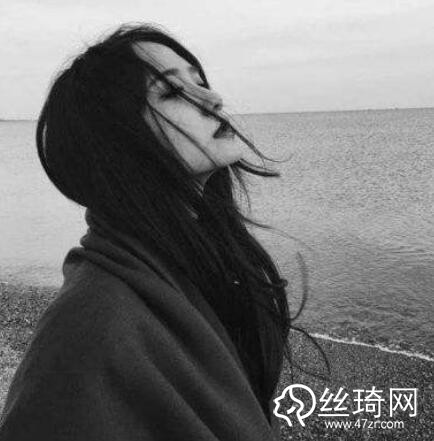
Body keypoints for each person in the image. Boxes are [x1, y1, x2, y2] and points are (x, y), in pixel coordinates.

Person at [0, 23, 328, 440]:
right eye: (172, 92)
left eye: (200, 82)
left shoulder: (201, 267)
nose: (213, 98)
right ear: (116, 141)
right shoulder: (90, 332)